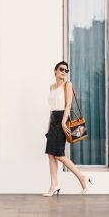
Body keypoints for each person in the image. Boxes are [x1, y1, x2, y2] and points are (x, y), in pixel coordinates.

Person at [43, 61, 93, 197]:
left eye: (66, 70)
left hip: (62, 119)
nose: (64, 72)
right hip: (53, 120)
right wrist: (48, 128)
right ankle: (54, 185)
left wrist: (64, 122)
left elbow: (68, 104)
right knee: (51, 154)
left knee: (59, 154)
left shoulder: (67, 84)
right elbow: (51, 109)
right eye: (61, 69)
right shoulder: (52, 87)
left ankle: (82, 177)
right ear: (55, 70)